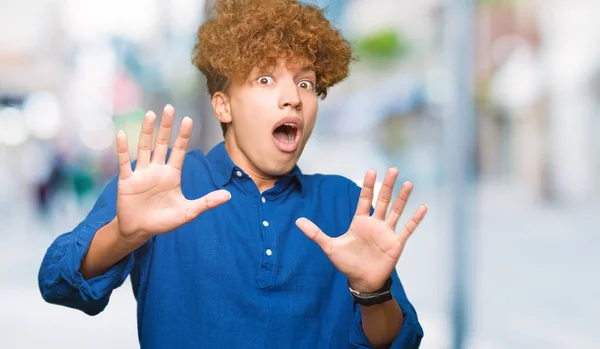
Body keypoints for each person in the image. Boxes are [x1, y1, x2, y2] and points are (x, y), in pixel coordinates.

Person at [38, 0, 428, 348]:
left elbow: (396, 342)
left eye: (305, 82)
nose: (293, 96)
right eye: (265, 79)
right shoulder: (162, 184)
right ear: (223, 106)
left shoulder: (343, 203)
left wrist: (371, 291)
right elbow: (57, 283)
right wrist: (123, 235)